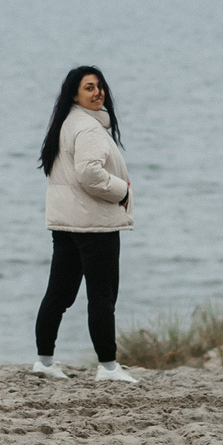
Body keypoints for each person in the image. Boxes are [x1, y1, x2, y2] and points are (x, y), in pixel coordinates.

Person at [34, 64, 137, 383]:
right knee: (102, 297)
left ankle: (44, 361)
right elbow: (89, 173)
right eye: (89, 88)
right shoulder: (89, 129)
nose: (98, 92)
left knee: (59, 294)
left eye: (100, 86)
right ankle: (108, 367)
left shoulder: (66, 123)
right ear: (75, 94)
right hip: (93, 224)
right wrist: (121, 190)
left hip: (67, 222)